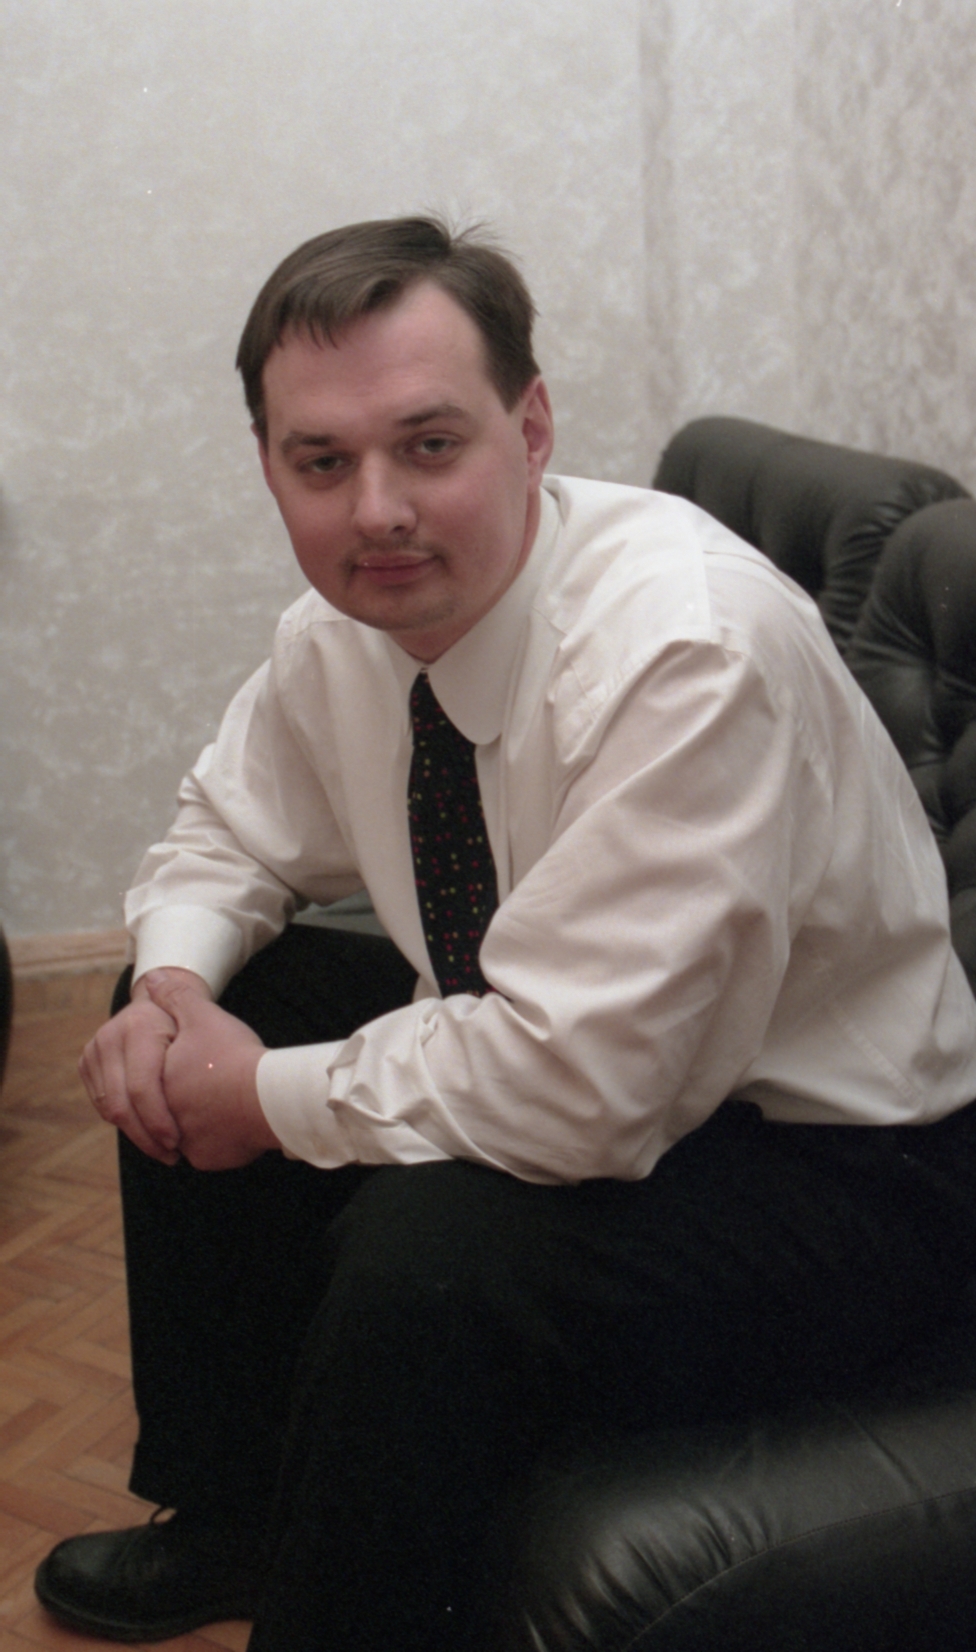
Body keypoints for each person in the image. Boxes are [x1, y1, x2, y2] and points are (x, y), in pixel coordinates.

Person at [35, 216, 976, 1651]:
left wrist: (263, 1096)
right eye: (322, 463)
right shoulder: (346, 630)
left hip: (848, 1165)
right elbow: (228, 831)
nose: (378, 512)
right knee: (211, 1008)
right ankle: (234, 1514)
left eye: (429, 446)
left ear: (530, 430)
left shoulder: (685, 650)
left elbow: (578, 1084)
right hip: (619, 1057)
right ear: (269, 465)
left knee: (431, 1246)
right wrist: (172, 995)